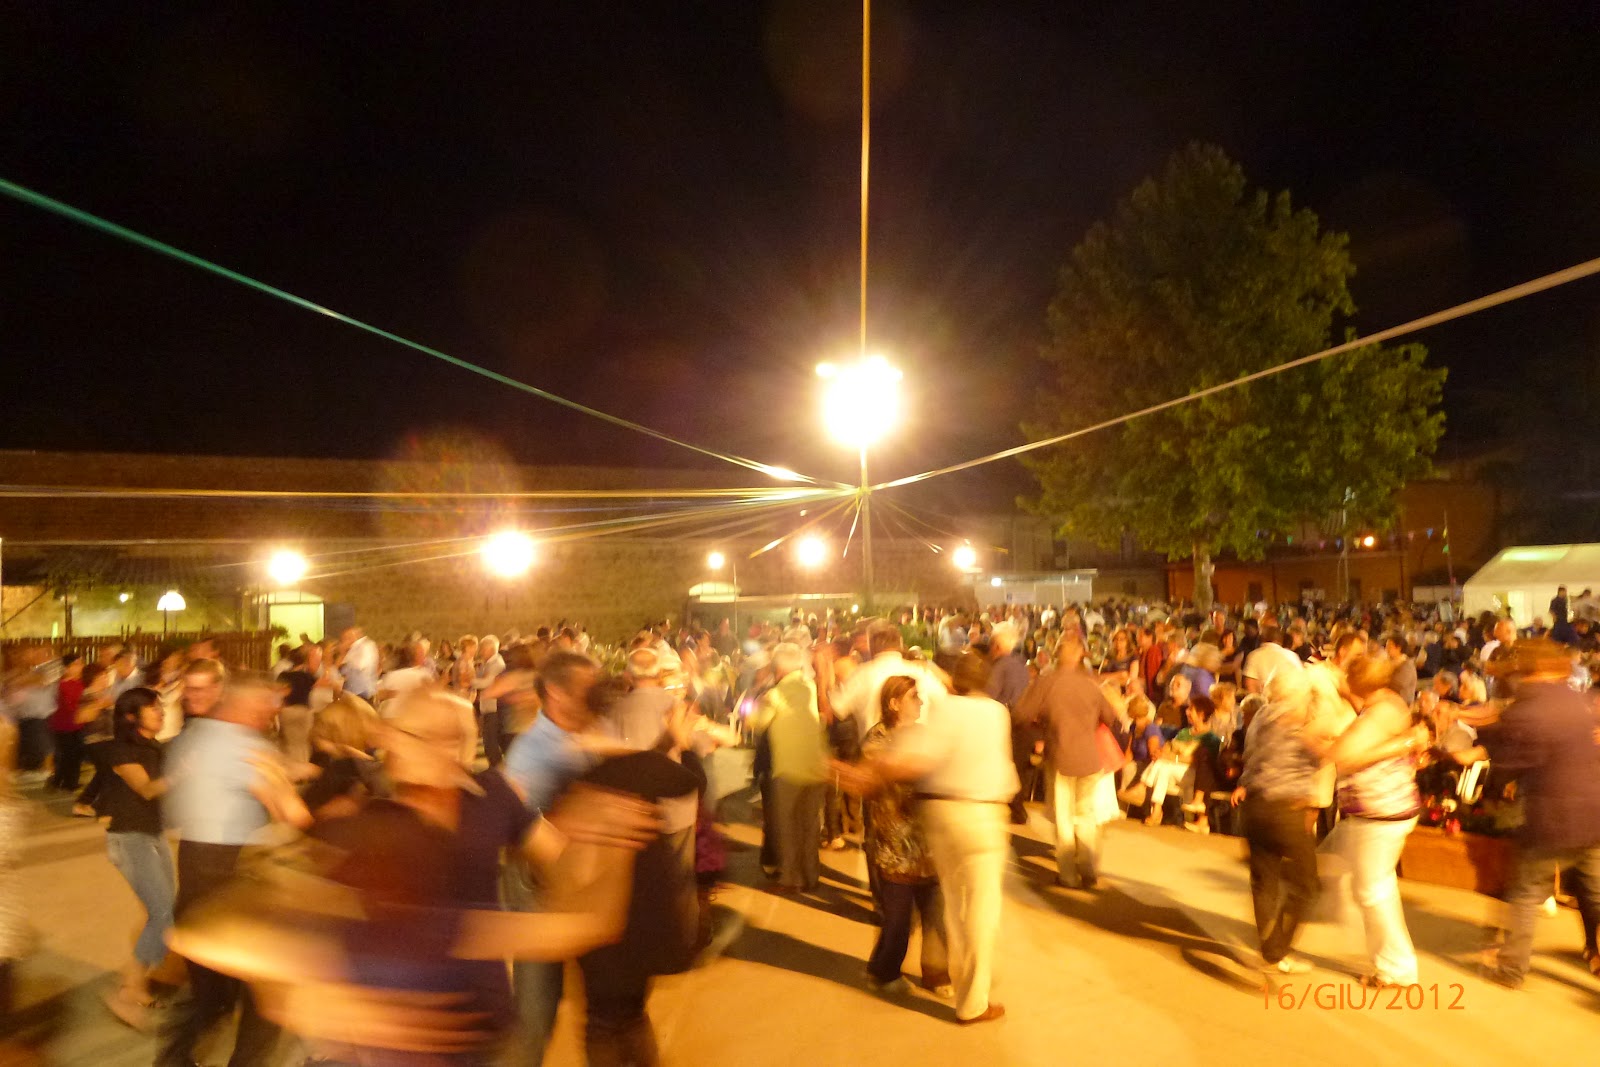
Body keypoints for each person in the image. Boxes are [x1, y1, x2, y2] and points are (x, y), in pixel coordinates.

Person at [843, 650, 1017, 1025]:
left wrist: (873, 771)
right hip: (979, 814)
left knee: (950, 906)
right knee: (980, 909)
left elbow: (920, 760)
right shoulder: (995, 713)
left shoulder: (943, 713)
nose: (921, 700)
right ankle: (973, 996)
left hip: (940, 818)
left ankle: (945, 970)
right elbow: (915, 762)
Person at [156, 675, 313, 1067]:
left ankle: (174, 1059)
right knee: (268, 988)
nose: (270, 715)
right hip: (235, 869)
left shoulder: (193, 737)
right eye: (264, 707)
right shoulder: (246, 746)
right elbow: (292, 814)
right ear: (246, 707)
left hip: (193, 861)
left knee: (209, 985)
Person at [1451, 638, 1600, 987]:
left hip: (1551, 819)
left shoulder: (1528, 709)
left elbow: (1508, 762)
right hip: (1593, 814)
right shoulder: (1576, 700)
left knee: (1525, 893)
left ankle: (1511, 970)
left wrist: (1484, 754)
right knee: (1596, 895)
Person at [1322, 655, 1426, 989]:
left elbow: (1342, 754)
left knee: (1373, 891)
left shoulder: (1382, 711)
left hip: (1381, 812)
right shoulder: (1384, 704)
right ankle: (1388, 960)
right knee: (1367, 885)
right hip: (1381, 810)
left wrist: (1400, 745)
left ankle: (1396, 968)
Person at [1230, 666, 1341, 974]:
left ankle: (1271, 951)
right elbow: (1326, 751)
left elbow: (1252, 759)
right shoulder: (1300, 718)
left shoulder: (1260, 717)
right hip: (1285, 810)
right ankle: (1278, 947)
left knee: (1264, 882)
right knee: (1307, 884)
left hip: (1255, 807)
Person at [860, 676, 949, 996]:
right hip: (894, 841)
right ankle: (884, 970)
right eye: (913, 696)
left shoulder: (923, 735)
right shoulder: (877, 738)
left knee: (935, 911)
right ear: (894, 703)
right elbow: (880, 772)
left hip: (927, 838)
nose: (920, 702)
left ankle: (936, 972)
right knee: (899, 917)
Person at [1016, 634, 1122, 888]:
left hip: (1061, 756)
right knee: (1085, 815)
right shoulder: (1090, 684)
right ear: (1079, 657)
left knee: (1064, 817)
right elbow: (1110, 716)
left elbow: (1021, 714)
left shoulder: (1047, 682)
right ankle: (1088, 868)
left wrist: (1042, 722)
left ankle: (1067, 875)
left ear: (1056, 656)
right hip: (1090, 758)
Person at [99, 687, 175, 1029]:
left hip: (154, 835)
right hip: (130, 838)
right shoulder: (121, 750)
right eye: (153, 708)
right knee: (162, 914)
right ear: (131, 716)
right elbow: (146, 789)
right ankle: (128, 992)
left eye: (160, 706)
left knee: (162, 913)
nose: (160, 712)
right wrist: (182, 772)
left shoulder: (155, 747)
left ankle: (135, 984)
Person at [752, 643, 828, 892]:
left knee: (786, 827)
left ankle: (790, 879)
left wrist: (755, 704)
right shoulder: (809, 687)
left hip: (788, 770)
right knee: (809, 826)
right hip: (815, 767)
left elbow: (757, 723)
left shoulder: (775, 695)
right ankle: (811, 876)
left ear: (778, 669)